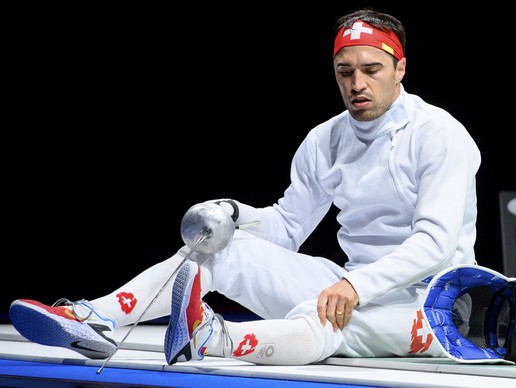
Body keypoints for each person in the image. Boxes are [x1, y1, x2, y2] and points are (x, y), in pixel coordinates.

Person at [9, 8, 482, 366]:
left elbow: (436, 243)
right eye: (344, 70)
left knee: (323, 321)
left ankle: (213, 338)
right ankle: (100, 318)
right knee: (216, 250)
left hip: (434, 305)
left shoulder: (438, 133)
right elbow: (288, 227)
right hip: (351, 286)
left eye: (371, 69)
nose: (357, 83)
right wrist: (235, 214)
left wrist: (354, 284)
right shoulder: (327, 138)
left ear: (399, 69)